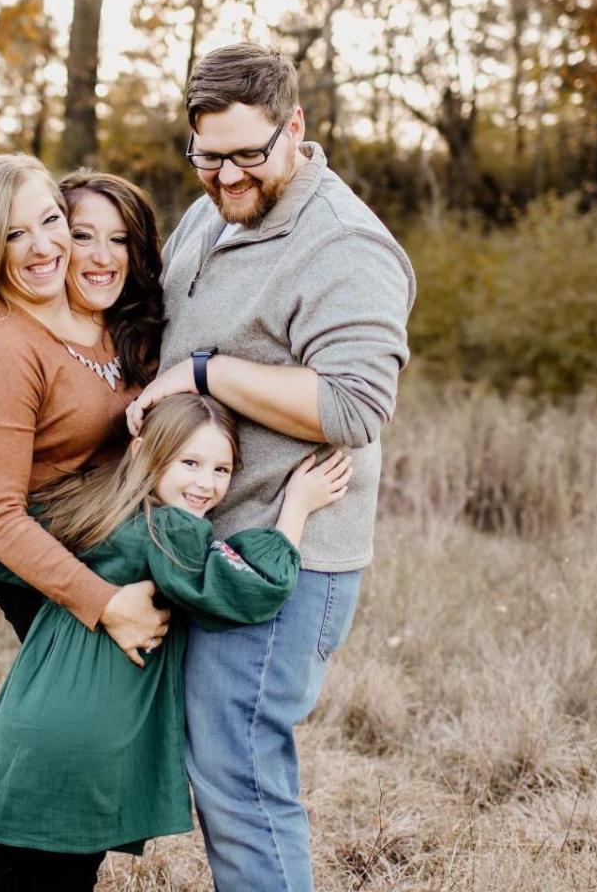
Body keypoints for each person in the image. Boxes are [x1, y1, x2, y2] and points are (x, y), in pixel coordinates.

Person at [127, 43, 417, 892]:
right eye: (206, 156)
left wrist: (207, 372)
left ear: (296, 127)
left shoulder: (344, 247)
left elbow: (358, 408)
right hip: (207, 544)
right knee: (222, 778)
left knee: (243, 784)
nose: (225, 177)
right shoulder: (214, 208)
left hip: (282, 560)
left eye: (248, 154)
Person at [0, 394, 353, 891]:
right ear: (141, 451)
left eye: (222, 469)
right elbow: (241, 588)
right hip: (89, 740)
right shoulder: (170, 528)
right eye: (191, 462)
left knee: (22, 875)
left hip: (33, 725)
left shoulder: (96, 508)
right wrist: (295, 512)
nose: (206, 483)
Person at [0, 155, 169, 888]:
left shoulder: (88, 318)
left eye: (50, 221)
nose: (44, 246)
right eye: (12, 234)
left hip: (92, 552)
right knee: (63, 763)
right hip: (58, 572)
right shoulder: (1, 347)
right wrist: (106, 603)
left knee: (84, 767)